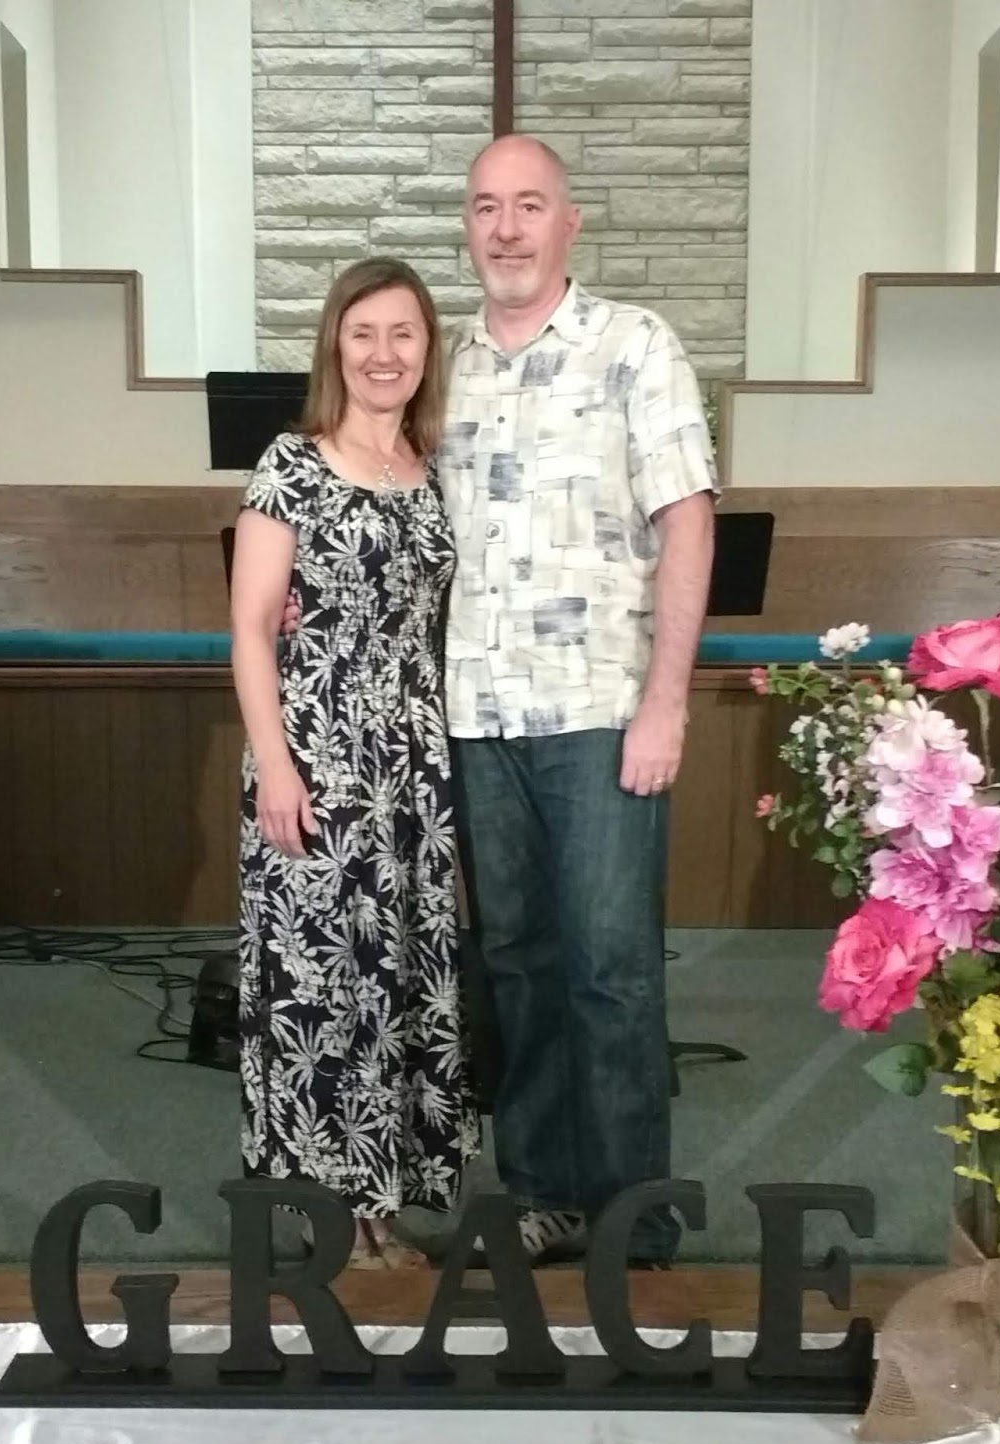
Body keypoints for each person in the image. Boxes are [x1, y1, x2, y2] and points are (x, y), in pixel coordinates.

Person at [443, 135, 718, 1267]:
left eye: (528, 205)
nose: (506, 228)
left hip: (602, 709)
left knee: (610, 965)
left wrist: (667, 703)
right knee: (517, 962)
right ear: (468, 226)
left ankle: (630, 1212)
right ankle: (542, 1192)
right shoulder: (442, 365)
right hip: (477, 714)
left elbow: (686, 523)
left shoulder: (634, 346)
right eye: (485, 207)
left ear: (570, 222)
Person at [229, 257, 478, 1269]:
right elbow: (251, 628)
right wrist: (275, 766)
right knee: (325, 983)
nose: (383, 354)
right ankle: (332, 1212)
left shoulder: (436, 469)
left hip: (414, 769)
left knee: (402, 977)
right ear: (335, 346)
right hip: (320, 755)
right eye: (363, 333)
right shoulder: (291, 463)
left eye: (402, 333)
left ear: (427, 350)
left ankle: (387, 1201)